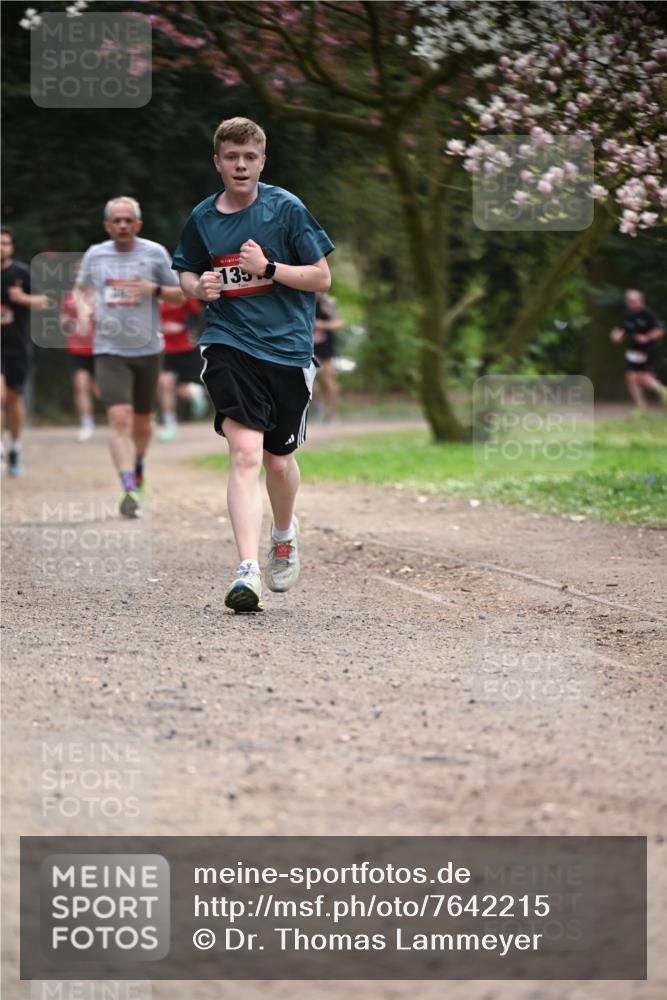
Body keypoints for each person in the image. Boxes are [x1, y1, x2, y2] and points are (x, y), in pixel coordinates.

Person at [173, 116, 334, 613]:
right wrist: (197, 287)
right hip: (229, 342)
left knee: (278, 461)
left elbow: (321, 278)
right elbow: (186, 270)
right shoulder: (204, 217)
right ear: (217, 161)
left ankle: (283, 534)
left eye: (249, 158)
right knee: (245, 453)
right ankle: (247, 570)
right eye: (231, 157)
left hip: (286, 350)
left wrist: (269, 269)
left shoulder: (286, 210)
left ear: (262, 162)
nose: (240, 166)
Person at [75, 197, 184, 517]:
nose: (122, 226)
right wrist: (83, 309)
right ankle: (128, 486)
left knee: (142, 421)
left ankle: (137, 465)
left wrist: (154, 289)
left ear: (138, 224)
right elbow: (80, 290)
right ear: (107, 225)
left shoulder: (154, 253)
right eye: (116, 221)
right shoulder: (95, 255)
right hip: (109, 349)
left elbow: (180, 295)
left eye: (128, 221)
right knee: (119, 417)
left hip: (148, 349)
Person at [1, 226, 49, 476]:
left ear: (12, 247)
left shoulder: (21, 272)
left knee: (12, 400)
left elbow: (44, 301)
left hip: (15, 345)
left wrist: (22, 299)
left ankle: (15, 448)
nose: (2, 247)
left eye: (5, 243)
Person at [157, 297, 207, 441]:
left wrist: (182, 326)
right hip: (165, 348)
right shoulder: (153, 294)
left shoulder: (182, 294)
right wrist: (160, 326)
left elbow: (198, 314)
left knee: (182, 389)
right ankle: (169, 423)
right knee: (164, 384)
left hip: (186, 348)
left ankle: (198, 393)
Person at [60, 262, 98, 442]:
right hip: (78, 347)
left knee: (103, 390)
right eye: (77, 271)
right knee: (80, 385)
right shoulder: (70, 296)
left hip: (102, 347)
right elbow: (63, 319)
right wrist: (71, 324)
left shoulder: (102, 294)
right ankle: (86, 424)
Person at [610, 289, 666, 411]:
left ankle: (663, 394)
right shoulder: (628, 315)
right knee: (632, 378)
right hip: (632, 351)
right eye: (629, 300)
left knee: (644, 379)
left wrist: (647, 337)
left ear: (640, 300)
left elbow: (661, 330)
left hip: (645, 350)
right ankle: (642, 408)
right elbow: (621, 330)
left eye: (634, 300)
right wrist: (616, 335)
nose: (631, 302)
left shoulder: (648, 313)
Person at [313, 290, 344, 422]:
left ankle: (332, 413)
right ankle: (318, 407)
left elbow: (339, 322)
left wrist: (322, 325)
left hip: (325, 347)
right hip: (308, 346)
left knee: (329, 380)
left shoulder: (328, 303)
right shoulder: (305, 299)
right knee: (308, 381)